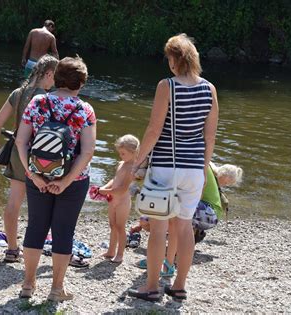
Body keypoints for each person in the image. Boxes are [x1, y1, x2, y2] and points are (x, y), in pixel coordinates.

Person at [128, 33, 219, 302]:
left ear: (173, 60)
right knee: (183, 227)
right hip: (193, 169)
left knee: (158, 229)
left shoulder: (166, 86)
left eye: (168, 57)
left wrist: (137, 161)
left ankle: (152, 287)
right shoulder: (209, 89)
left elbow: (154, 129)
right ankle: (179, 287)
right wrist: (203, 169)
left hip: (167, 166)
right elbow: (210, 136)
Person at [15, 56, 96, 301]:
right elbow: (88, 151)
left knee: (36, 228)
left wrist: (33, 175)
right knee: (63, 231)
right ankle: (56, 289)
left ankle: (28, 285)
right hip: (73, 181)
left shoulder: (38, 102)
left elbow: (21, 141)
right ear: (80, 83)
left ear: (57, 78)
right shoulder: (85, 110)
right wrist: (66, 181)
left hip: (38, 175)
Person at [0, 55, 59, 262]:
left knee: (14, 201)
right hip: (40, 156)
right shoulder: (47, 99)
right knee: (46, 203)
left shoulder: (18, 94)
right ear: (48, 74)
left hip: (15, 152)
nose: (56, 81)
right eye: (55, 76)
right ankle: (47, 248)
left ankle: (12, 249)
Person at [132, 162, 243, 272]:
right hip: (203, 210)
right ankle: (165, 256)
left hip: (208, 213)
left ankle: (166, 259)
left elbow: (194, 194)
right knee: (148, 220)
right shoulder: (196, 162)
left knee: (173, 211)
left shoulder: (199, 165)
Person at [98, 134, 140, 263]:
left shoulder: (132, 169)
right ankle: (111, 251)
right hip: (113, 200)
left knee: (120, 226)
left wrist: (105, 191)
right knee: (112, 225)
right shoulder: (121, 164)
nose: (120, 156)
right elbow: (115, 180)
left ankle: (120, 254)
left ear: (134, 152)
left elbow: (123, 188)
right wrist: (104, 187)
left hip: (122, 201)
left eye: (123, 153)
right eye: (120, 153)